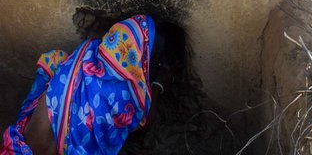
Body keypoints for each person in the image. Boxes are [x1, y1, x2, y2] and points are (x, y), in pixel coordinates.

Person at [0, 15, 178, 155]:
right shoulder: (18, 139)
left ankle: (146, 77)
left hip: (65, 107)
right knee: (136, 33)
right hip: (72, 122)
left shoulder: (17, 142)